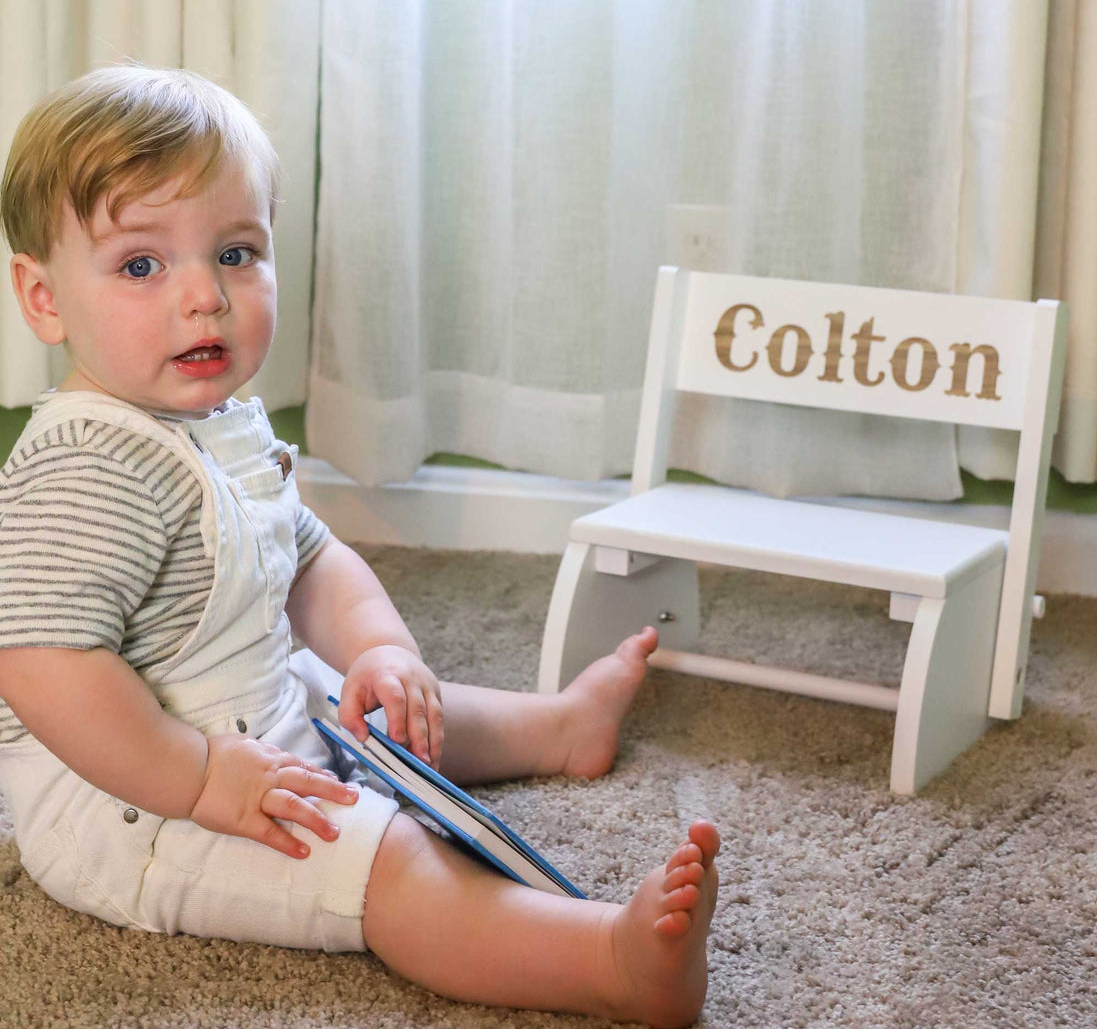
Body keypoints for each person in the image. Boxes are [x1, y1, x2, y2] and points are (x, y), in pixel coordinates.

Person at [0, 65, 719, 1028]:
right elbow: (40, 665)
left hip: (242, 704)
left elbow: (308, 557)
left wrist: (382, 651)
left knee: (380, 707)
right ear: (44, 301)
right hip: (134, 799)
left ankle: (556, 730)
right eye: (141, 265)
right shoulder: (87, 466)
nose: (204, 298)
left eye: (235, 252)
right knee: (386, 862)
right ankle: (607, 964)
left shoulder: (223, 421)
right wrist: (204, 779)